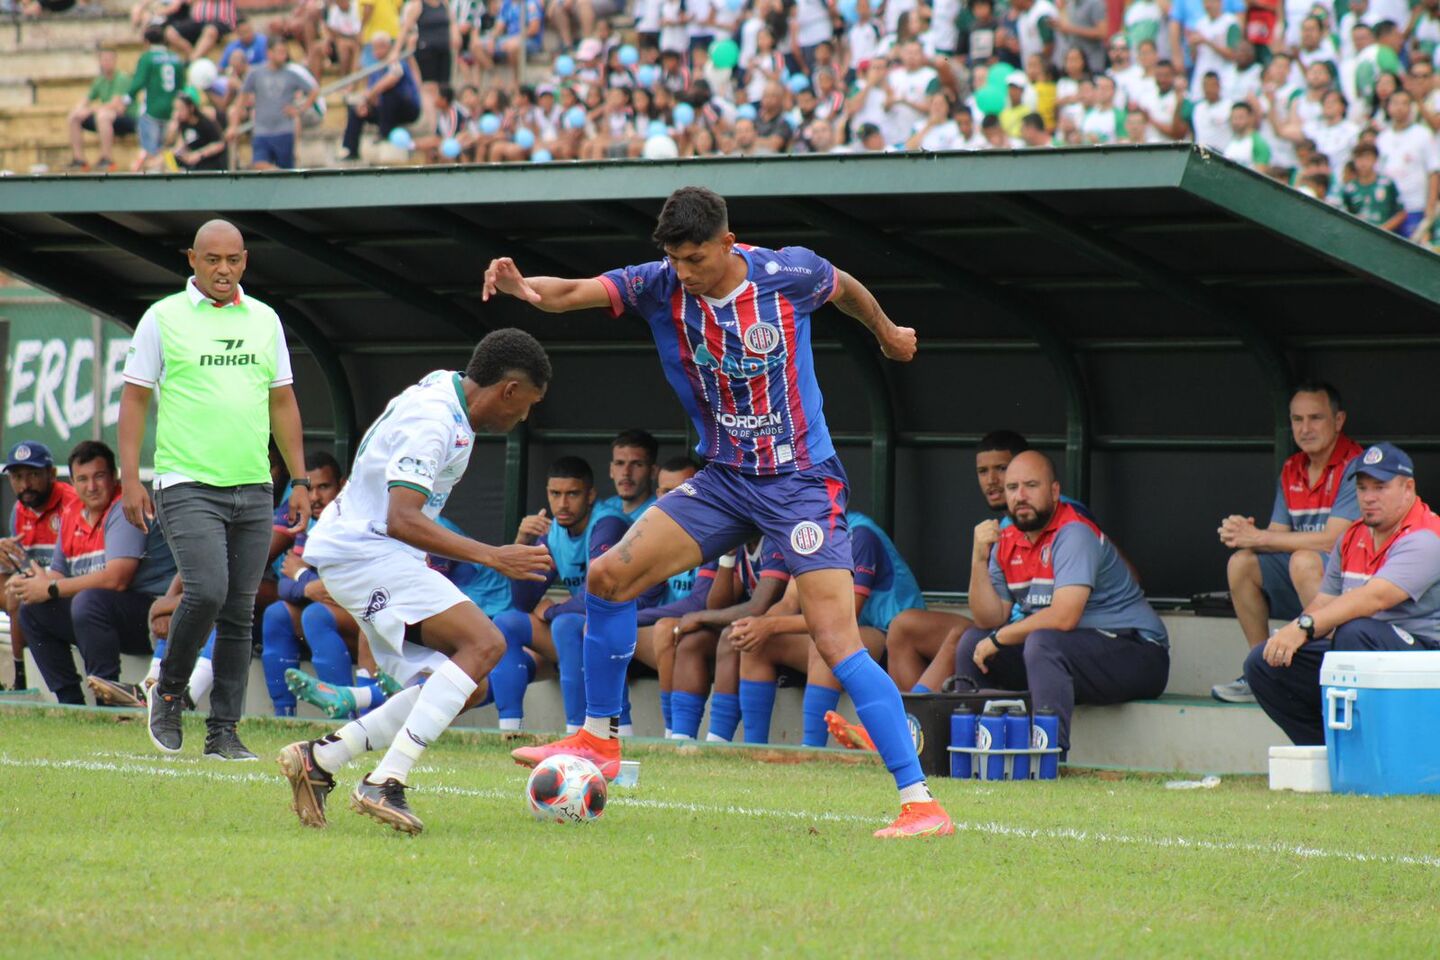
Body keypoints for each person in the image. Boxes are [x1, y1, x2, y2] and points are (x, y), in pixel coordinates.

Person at [484, 185, 953, 839]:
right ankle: (598, 741)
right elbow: (573, 292)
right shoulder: (660, 287)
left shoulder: (788, 273)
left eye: (695, 259)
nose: (685, 273)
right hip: (726, 480)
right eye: (675, 260)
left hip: (800, 484)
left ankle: (921, 803)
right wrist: (522, 288)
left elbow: (845, 285)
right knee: (606, 577)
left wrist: (887, 332)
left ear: (729, 244)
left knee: (836, 639)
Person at [276, 330, 553, 834]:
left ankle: (321, 758)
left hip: (373, 552)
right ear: (508, 391)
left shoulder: (445, 391)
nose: (524, 418)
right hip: (368, 552)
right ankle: (385, 782)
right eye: (527, 404)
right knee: (485, 641)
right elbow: (402, 518)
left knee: (467, 685)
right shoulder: (434, 421)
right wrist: (494, 556)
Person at [119, 219, 311, 762]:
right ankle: (171, 690)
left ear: (245, 261)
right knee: (206, 591)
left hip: (253, 484)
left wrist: (297, 479)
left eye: (232, 260)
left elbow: (282, 402)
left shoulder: (266, 319)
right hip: (185, 482)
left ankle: (223, 731)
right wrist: (131, 478)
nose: (223, 270)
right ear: (192, 260)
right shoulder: (163, 318)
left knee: (239, 610)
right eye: (212, 260)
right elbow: (134, 401)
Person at [954, 451, 1169, 752]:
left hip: (1138, 652)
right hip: (1074, 652)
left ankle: (1048, 757)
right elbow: (988, 619)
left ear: (1054, 492)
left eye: (1031, 485)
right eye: (1013, 488)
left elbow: (1064, 616)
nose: (1021, 496)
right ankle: (969, 750)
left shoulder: (1074, 532)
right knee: (971, 642)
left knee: (1042, 643)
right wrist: (978, 558)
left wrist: (1000, 637)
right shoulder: (1006, 538)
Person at [1245, 444, 1440, 745]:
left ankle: (1366, 750)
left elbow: (1374, 599)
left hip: (1425, 661)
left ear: (1408, 488)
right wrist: (1289, 636)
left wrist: (1303, 627)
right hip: (1366, 650)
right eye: (1362, 488)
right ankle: (1327, 752)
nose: (1369, 497)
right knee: (1264, 662)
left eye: (1380, 487)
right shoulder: (1352, 535)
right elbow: (1324, 602)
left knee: (1355, 631)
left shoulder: (1426, 536)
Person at [1215, 382, 1362, 702]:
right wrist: (1243, 533)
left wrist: (1262, 537)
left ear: (1338, 421)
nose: (1305, 428)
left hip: (1351, 586)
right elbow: (1276, 536)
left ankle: (1332, 669)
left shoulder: (1356, 465)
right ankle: (1261, 672)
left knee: (1304, 558)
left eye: (1315, 418)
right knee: (1242, 562)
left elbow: (1332, 541)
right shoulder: (1292, 468)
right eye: (1297, 420)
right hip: (1304, 579)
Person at [732, 512, 925, 748]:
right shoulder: (807, 535)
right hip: (848, 634)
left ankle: (811, 750)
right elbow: (789, 603)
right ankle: (754, 751)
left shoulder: (860, 535)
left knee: (828, 641)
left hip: (887, 635)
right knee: (756, 643)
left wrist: (770, 625)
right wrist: (757, 627)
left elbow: (842, 618)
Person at [9, 441, 175, 706]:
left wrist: (50, 588)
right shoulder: (71, 513)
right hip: (106, 616)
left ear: (114, 477)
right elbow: (60, 576)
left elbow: (116, 580)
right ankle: (70, 702)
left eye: (99, 476)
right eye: (82, 479)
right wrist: (32, 584)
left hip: (154, 614)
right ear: (72, 483)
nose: (91, 487)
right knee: (33, 611)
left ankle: (107, 699)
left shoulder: (125, 507)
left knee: (90, 601)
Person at [491, 457, 630, 731]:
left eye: (572, 494)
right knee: (506, 622)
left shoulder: (607, 524)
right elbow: (524, 601)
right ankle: (508, 731)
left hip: (626, 625)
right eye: (555, 494)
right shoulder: (553, 532)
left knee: (566, 624)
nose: (562, 504)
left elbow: (600, 593)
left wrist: (553, 610)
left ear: (590, 495)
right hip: (585, 628)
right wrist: (524, 544)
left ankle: (577, 732)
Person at [0, 442, 79, 691]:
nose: (24, 485)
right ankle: (15, 677)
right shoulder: (19, 510)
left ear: (51, 474)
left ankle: (21, 677)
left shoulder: (72, 504)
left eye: (33, 475)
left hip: (69, 589)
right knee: (13, 589)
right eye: (17, 477)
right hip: (37, 588)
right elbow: (20, 565)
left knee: (18, 595)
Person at [229, 34, 319, 170]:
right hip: (261, 131)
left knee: (287, 172)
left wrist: (300, 109)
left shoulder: (291, 74)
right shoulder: (256, 73)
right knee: (259, 164)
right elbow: (241, 100)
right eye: (280, 52)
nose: (283, 56)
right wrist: (233, 125)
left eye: (285, 52)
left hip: (284, 131)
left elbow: (314, 91)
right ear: (269, 53)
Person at [340, 32, 422, 161]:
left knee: (389, 93)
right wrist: (365, 105)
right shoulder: (375, 69)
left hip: (407, 109)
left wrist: (370, 95)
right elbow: (370, 93)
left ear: (386, 47)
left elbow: (392, 79)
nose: (374, 52)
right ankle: (351, 150)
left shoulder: (396, 61)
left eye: (377, 47)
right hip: (385, 111)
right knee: (356, 110)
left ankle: (384, 133)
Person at [67, 48, 138, 172]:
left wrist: (90, 110)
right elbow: (85, 100)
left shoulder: (122, 78)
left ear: (115, 61)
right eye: (104, 59)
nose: (107, 62)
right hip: (107, 116)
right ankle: (79, 160)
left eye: (109, 59)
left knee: (103, 116)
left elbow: (116, 104)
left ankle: (107, 158)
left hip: (127, 119)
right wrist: (79, 109)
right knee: (74, 117)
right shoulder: (99, 80)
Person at [127, 24, 186, 165]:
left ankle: (152, 180)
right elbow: (182, 87)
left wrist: (126, 99)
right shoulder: (176, 58)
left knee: (150, 151)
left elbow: (138, 82)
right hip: (171, 111)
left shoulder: (147, 58)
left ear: (146, 42)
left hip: (151, 110)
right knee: (167, 151)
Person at [593, 428, 658, 524]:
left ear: (653, 472)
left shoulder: (660, 513)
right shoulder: (605, 508)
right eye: (619, 463)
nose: (626, 472)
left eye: (637, 464)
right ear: (611, 470)